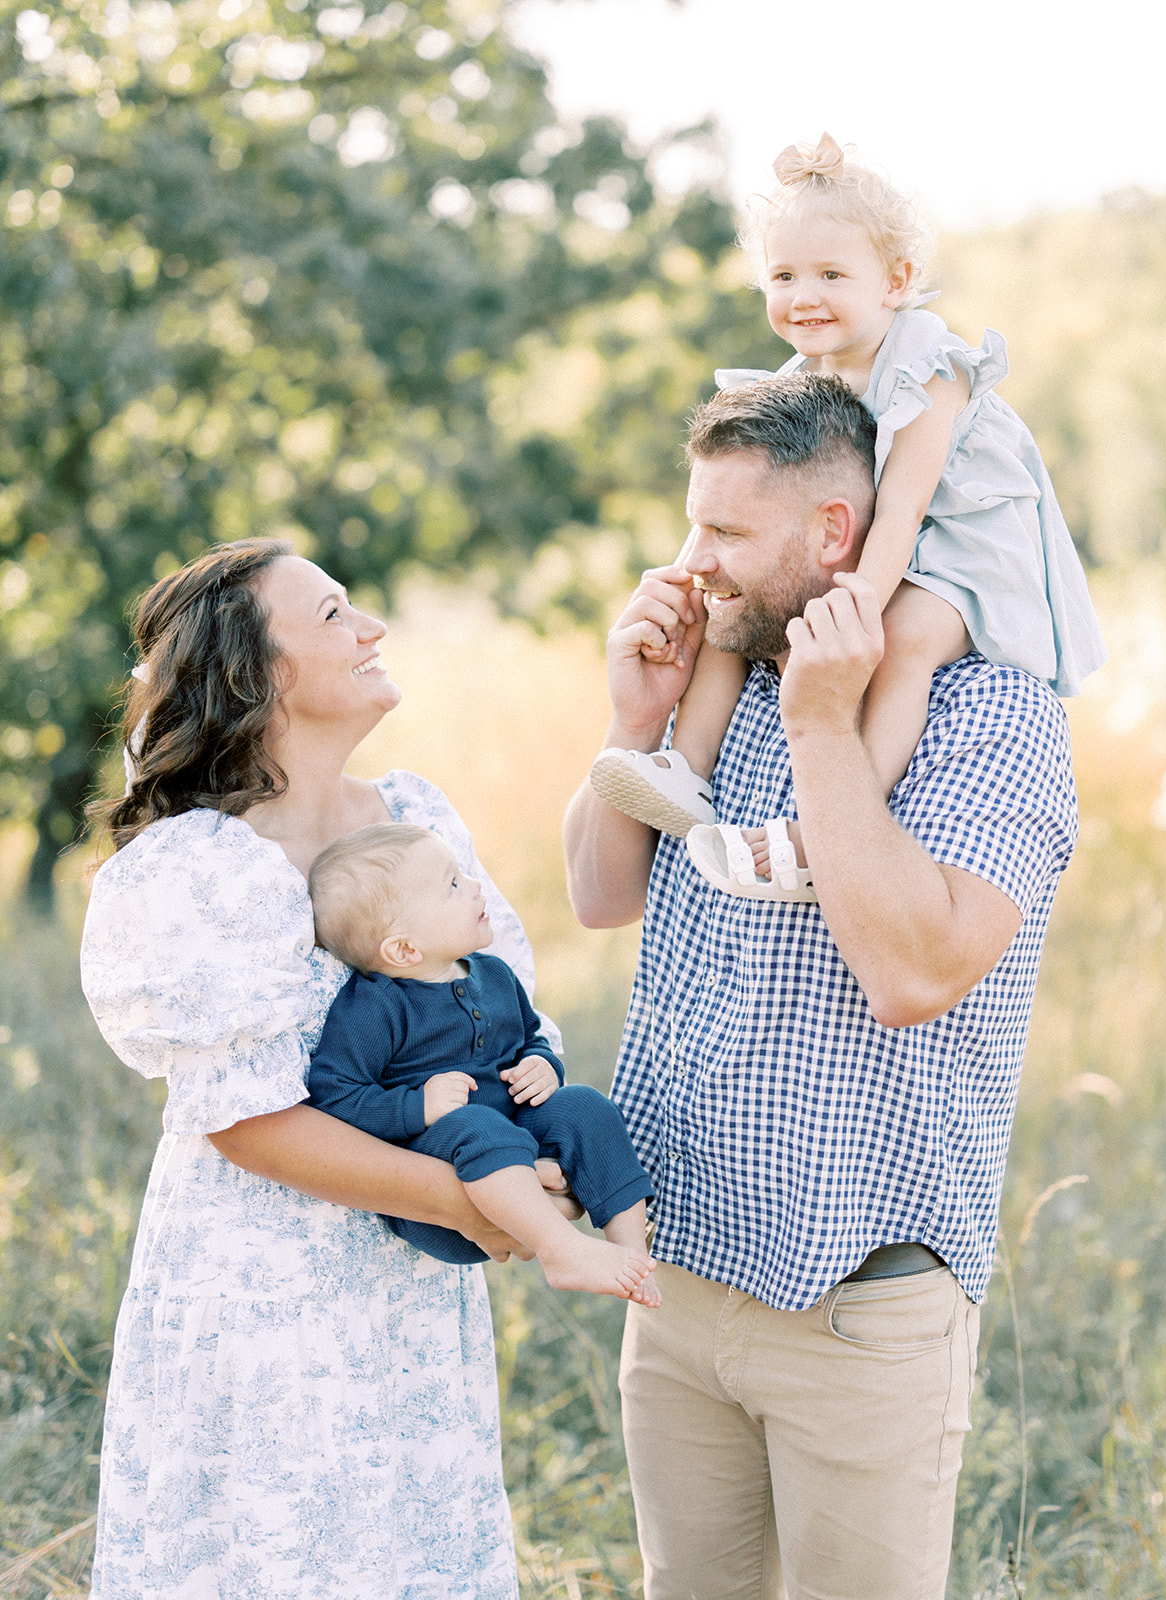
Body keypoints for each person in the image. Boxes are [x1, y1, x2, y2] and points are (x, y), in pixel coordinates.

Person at [563, 372, 1079, 1600]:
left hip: (859, 1316)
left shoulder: (993, 719)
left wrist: (822, 730)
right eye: (694, 523)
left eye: (728, 533)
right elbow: (597, 894)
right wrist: (633, 719)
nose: (695, 562)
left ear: (833, 534)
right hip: (678, 1283)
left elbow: (911, 974)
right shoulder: (718, 676)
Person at [80, 538, 567, 1599]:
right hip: (264, 1292)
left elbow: (495, 1018)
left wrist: (535, 1156)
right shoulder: (195, 868)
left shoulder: (417, 819)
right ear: (261, 674)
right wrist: (466, 1196)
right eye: (337, 613)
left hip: (405, 1287)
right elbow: (243, 1120)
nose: (372, 629)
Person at [589, 133, 1103, 892]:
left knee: (900, 639)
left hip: (963, 545)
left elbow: (903, 505)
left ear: (895, 281)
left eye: (832, 274)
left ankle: (829, 820)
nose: (804, 296)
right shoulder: (804, 376)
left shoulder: (931, 367)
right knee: (740, 603)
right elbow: (745, 498)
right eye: (784, 275)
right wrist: (697, 564)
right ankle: (685, 767)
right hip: (880, 540)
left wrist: (861, 596)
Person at [305, 821, 658, 1302]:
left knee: (583, 1106)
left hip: (514, 1141)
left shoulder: (492, 974)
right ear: (405, 949)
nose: (474, 887)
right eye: (452, 885)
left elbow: (529, 1037)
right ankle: (560, 1251)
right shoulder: (374, 1008)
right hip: (438, 1194)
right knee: (476, 1124)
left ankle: (633, 1255)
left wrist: (541, 1064)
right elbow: (335, 1098)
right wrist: (416, 1107)